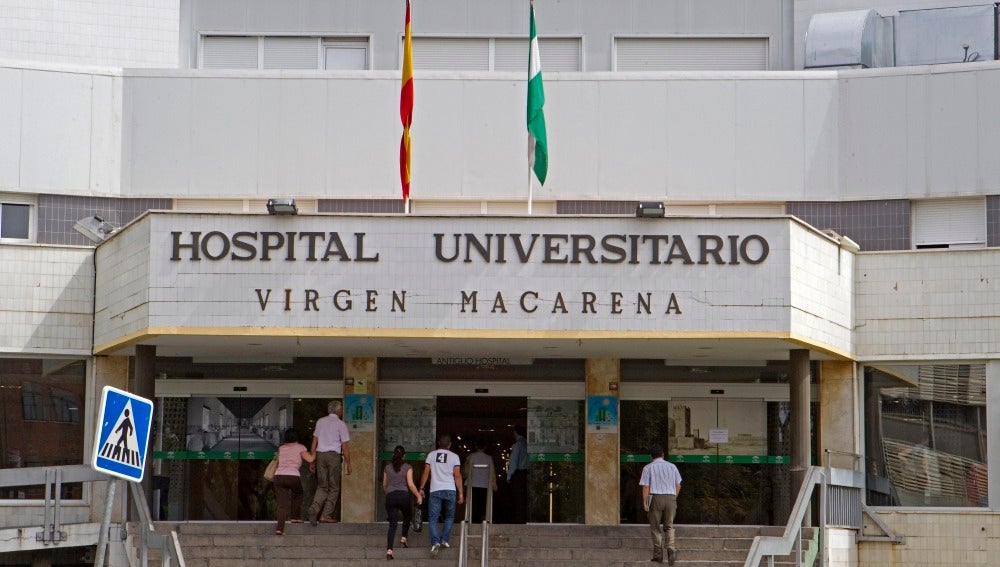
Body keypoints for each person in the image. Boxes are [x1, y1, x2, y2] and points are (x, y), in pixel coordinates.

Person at [419, 434, 464, 557]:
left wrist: (421, 488)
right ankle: (444, 539)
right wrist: (461, 493)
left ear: (439, 443)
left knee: (433, 517)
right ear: (450, 445)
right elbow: (457, 475)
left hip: (435, 490)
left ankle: (435, 542)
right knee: (450, 516)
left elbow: (426, 472)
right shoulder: (454, 457)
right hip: (450, 489)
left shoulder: (431, 455)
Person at [308, 400, 352, 525]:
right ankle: (325, 515)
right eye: (341, 409)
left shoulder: (320, 422)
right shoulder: (341, 424)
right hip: (333, 456)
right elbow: (345, 446)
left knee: (322, 486)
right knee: (334, 488)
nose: (342, 411)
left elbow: (314, 442)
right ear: (338, 411)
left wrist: (312, 460)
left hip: (320, 455)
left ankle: (314, 508)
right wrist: (348, 464)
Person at [639, 444, 682, 565]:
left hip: (655, 498)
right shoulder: (672, 466)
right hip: (671, 497)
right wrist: (674, 497)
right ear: (663, 454)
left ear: (651, 456)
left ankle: (658, 555)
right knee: (669, 525)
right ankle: (671, 547)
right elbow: (678, 484)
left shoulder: (648, 468)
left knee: (655, 527)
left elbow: (646, 487)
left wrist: (645, 503)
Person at [272, 428, 316, 535]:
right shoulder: (300, 447)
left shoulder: (281, 448)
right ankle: (295, 517)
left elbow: (277, 463)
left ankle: (279, 529)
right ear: (297, 437)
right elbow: (310, 459)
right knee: (298, 493)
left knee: (282, 505)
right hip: (292, 476)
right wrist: (316, 451)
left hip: (279, 476)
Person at [383, 445, 422, 560]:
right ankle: (403, 539)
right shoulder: (407, 467)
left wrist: (388, 494)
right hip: (404, 496)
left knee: (392, 525)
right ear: (404, 455)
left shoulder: (387, 468)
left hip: (390, 496)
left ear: (393, 455)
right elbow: (410, 484)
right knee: (407, 516)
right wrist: (418, 495)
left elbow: (384, 485)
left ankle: (389, 551)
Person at [462, 437, 497, 523]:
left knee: (472, 504)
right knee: (483, 504)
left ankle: (472, 520)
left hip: (472, 483)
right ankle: (483, 520)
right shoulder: (489, 458)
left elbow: (465, 471)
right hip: (485, 484)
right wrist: (494, 482)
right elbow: (492, 471)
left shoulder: (471, 456)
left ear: (476, 446)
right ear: (485, 447)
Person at [506, 424, 529, 523]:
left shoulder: (517, 445)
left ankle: (519, 520)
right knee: (527, 497)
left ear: (515, 432)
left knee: (518, 498)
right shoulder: (528, 444)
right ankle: (527, 518)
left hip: (519, 474)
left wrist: (509, 475)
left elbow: (513, 461)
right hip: (528, 474)